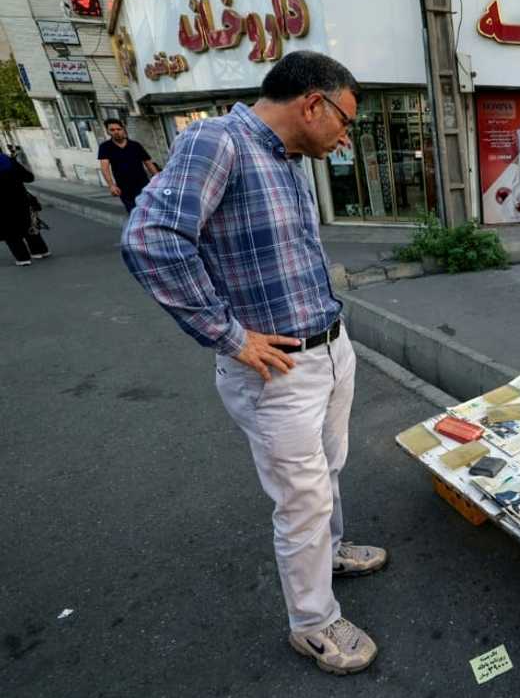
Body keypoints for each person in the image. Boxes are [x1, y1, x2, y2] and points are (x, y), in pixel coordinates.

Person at [120, 51, 384, 676]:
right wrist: (229, 337)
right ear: (312, 104)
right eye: (344, 121)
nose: (345, 137)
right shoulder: (220, 142)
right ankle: (314, 625)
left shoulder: (288, 158)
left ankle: (333, 552)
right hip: (276, 370)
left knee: (330, 470)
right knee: (301, 500)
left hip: (328, 347)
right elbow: (150, 238)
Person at [98, 119, 159, 213]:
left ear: (123, 129)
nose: (116, 132)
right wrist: (111, 186)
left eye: (118, 129)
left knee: (151, 211)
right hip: (124, 188)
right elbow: (104, 167)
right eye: (112, 130)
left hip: (143, 185)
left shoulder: (135, 145)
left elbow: (148, 163)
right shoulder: (105, 147)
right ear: (107, 131)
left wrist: (158, 180)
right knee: (134, 213)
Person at [1, 151, 50, 266]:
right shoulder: (9, 161)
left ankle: (23, 258)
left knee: (10, 232)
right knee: (28, 225)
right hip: (20, 200)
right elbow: (29, 178)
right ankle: (40, 251)